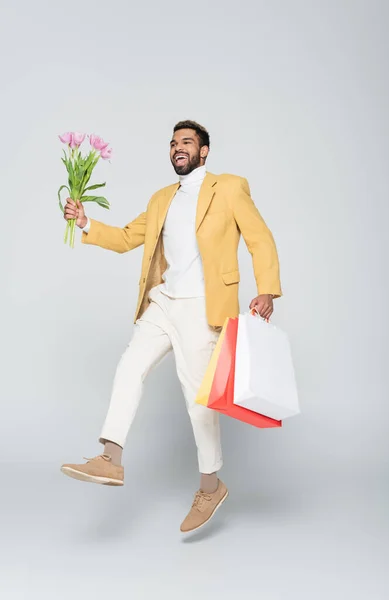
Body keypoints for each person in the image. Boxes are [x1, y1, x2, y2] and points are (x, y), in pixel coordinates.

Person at [60, 119, 282, 533]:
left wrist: (267, 289)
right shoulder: (163, 198)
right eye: (173, 143)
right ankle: (110, 459)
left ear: (204, 151)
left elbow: (260, 238)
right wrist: (86, 223)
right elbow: (128, 237)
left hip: (203, 306)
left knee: (199, 402)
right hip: (163, 301)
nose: (178, 148)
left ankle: (210, 487)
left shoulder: (229, 187)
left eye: (187, 142)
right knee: (129, 367)